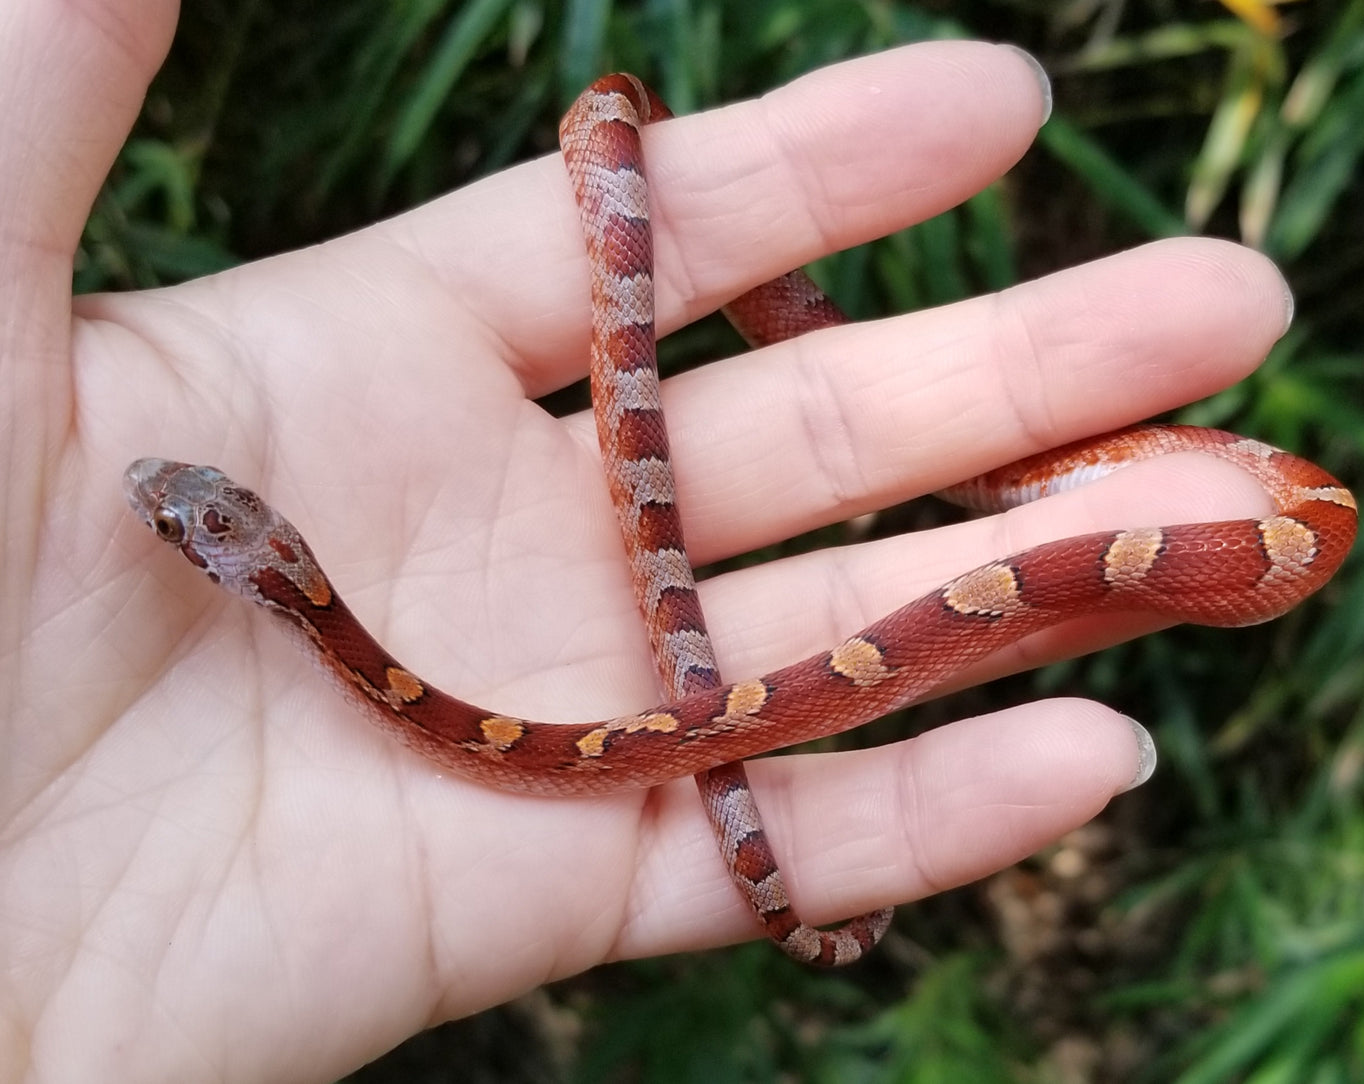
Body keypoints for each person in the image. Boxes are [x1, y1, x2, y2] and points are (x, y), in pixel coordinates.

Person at [0, 9, 1295, 1080]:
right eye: (190, 523)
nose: (168, 506)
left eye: (192, 509)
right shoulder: (333, 638)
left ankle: (620, 133)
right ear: (253, 564)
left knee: (657, 179)